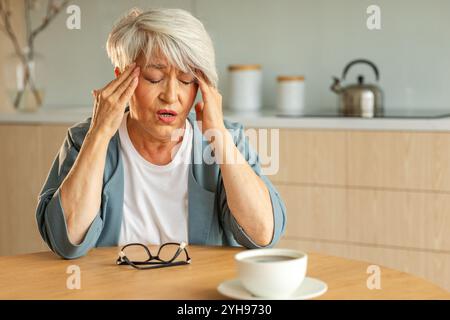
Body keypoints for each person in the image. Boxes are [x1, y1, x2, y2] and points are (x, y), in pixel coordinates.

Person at [36, 8, 286, 259]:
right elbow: (66, 240)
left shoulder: (223, 140)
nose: (170, 95)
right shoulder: (85, 140)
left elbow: (262, 234)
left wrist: (219, 135)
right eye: (154, 77)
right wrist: (99, 135)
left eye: (186, 80)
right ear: (122, 78)